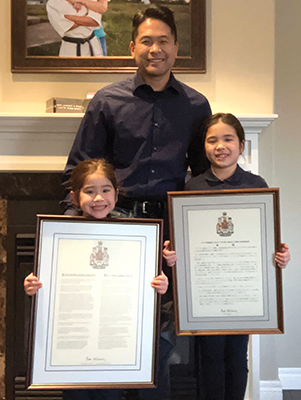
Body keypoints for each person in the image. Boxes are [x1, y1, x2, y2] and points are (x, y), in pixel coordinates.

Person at [61, 5, 211, 399]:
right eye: (147, 41)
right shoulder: (107, 102)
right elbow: (78, 171)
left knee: (158, 339)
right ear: (132, 47)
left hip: (167, 234)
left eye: (163, 41)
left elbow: (203, 176)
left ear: (176, 47)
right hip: (116, 228)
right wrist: (70, 233)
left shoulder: (196, 106)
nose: (155, 49)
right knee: (109, 327)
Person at [24, 158, 174, 400]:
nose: (98, 199)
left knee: (110, 394)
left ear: (116, 193)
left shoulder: (134, 236)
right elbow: (44, 281)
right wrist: (32, 285)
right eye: (89, 191)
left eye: (106, 190)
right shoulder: (59, 236)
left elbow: (148, 284)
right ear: (74, 197)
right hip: (72, 346)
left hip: (113, 345)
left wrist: (160, 285)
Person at [184, 113, 291, 400]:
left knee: (236, 354)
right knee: (209, 356)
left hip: (243, 289)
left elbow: (266, 237)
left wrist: (279, 256)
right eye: (212, 140)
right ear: (204, 147)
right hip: (207, 288)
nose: (221, 146)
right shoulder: (192, 187)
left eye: (228, 138)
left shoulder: (257, 185)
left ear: (241, 146)